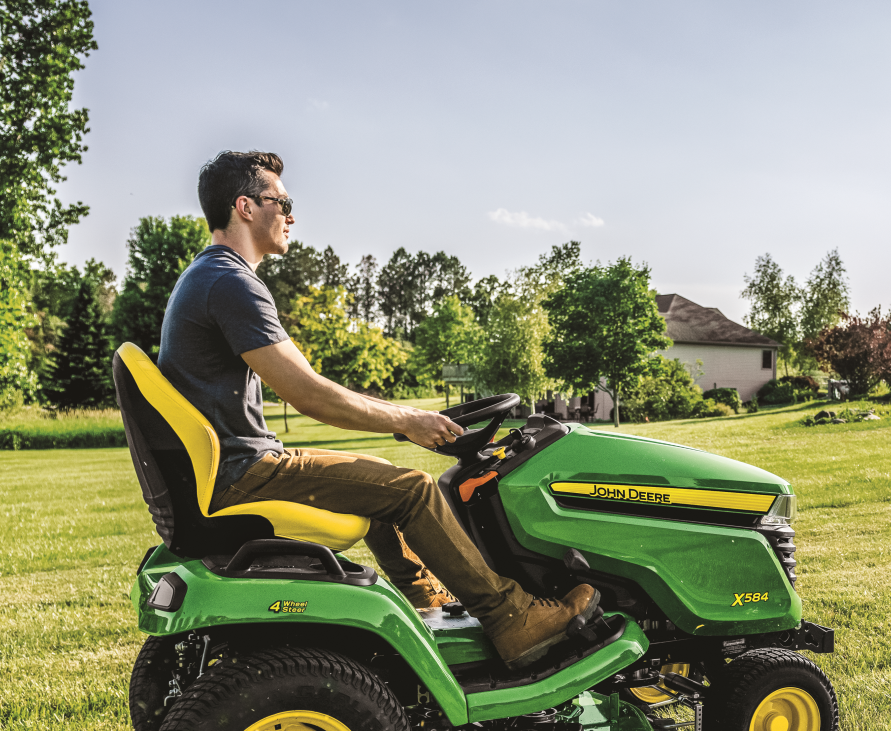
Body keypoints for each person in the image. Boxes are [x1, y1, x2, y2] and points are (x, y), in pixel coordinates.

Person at [156, 150, 596, 669]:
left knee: (385, 477)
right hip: (243, 473)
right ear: (246, 207)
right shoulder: (230, 283)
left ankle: (429, 599)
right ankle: (511, 617)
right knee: (412, 490)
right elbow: (309, 393)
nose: (292, 214)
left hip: (233, 466)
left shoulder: (209, 276)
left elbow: (309, 385)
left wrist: (405, 419)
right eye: (283, 201)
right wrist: (409, 420)